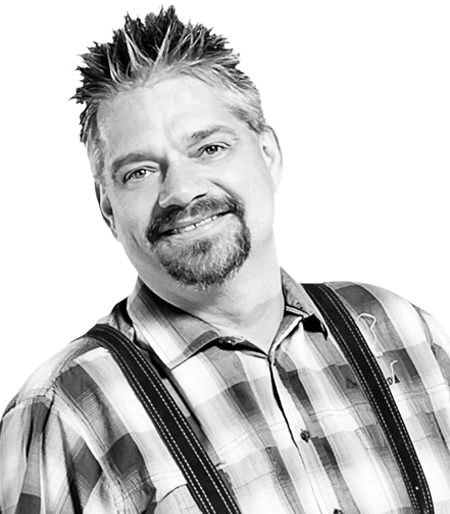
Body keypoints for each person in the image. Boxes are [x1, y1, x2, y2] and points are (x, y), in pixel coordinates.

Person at [1, 6, 449, 514]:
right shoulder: (68, 410)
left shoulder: (400, 331)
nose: (182, 190)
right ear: (108, 208)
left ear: (269, 154)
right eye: (139, 172)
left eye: (210, 148)